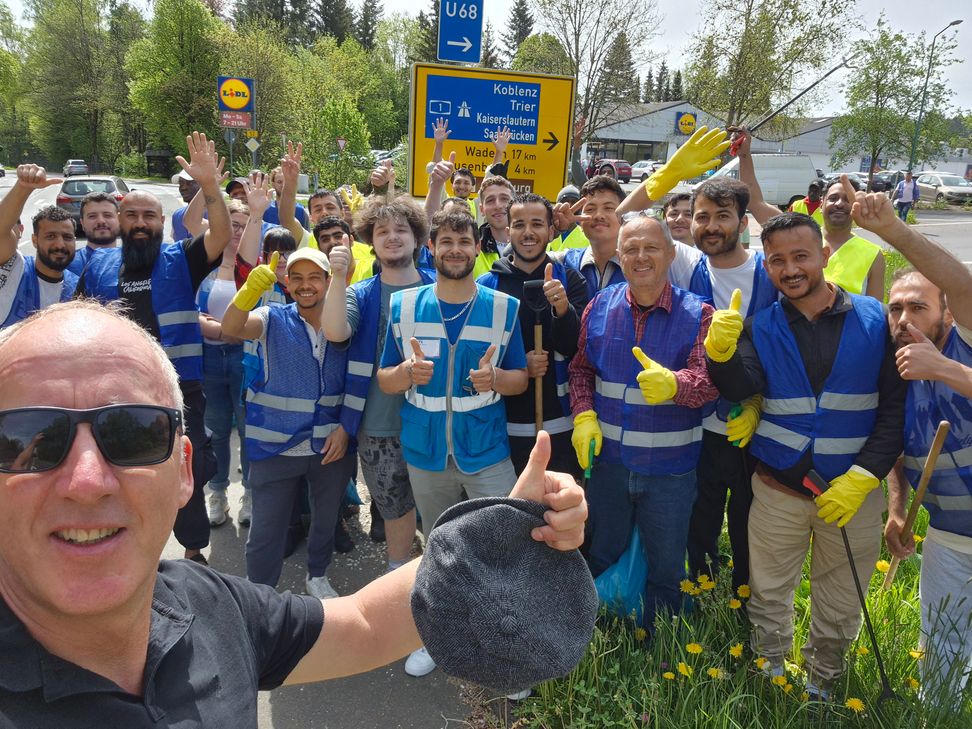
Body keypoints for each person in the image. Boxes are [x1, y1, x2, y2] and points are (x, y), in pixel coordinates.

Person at [0, 299, 587, 724]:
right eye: (27, 442)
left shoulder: (210, 605)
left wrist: (508, 522)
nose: (84, 481)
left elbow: (363, 625)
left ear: (184, 469)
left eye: (130, 435)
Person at [705, 211, 906, 698]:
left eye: (801, 257)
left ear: (825, 255)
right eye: (777, 261)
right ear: (767, 267)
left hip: (853, 493)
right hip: (778, 489)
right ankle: (770, 675)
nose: (790, 269)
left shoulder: (876, 320)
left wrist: (865, 474)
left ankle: (824, 683)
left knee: (840, 598)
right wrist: (720, 355)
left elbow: (896, 412)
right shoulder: (759, 325)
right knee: (770, 589)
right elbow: (743, 386)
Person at [376, 210, 528, 678]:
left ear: (477, 247)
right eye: (446, 241)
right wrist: (406, 374)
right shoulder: (403, 307)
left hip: (485, 451)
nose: (456, 249)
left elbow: (520, 379)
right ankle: (437, 639)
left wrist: (496, 378)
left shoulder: (504, 308)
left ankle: (505, 655)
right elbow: (384, 379)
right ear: (432, 248)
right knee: (438, 547)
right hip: (425, 453)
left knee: (503, 549)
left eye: (464, 240)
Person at [842, 179, 972, 704]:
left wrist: (893, 231)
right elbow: (899, 449)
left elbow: (961, 282)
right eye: (895, 308)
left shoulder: (962, 342)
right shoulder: (894, 368)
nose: (903, 319)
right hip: (949, 535)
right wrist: (899, 510)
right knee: (941, 644)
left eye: (918, 307)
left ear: (944, 311)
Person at [76, 131, 231, 564]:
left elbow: (220, 234)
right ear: (121, 220)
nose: (141, 222)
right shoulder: (98, 265)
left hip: (181, 390)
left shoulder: (181, 258)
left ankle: (194, 551)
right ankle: (128, 548)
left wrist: (210, 188)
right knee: (123, 471)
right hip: (118, 392)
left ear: (163, 223)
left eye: (149, 215)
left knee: (192, 467)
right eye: (133, 215)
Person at [568, 215, 718, 624]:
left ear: (671, 253)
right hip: (609, 465)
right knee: (602, 554)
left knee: (667, 567)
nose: (640, 256)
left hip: (670, 472)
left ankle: (660, 649)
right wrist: (584, 416)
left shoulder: (699, 313)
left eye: (651, 247)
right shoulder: (600, 305)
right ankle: (599, 635)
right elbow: (581, 370)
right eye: (630, 248)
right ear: (619, 256)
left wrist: (676, 385)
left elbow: (708, 382)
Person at [662, 177, 779, 590]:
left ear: (744, 222)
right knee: (702, 513)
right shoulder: (687, 265)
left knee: (749, 517)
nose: (711, 226)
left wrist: (758, 402)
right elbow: (621, 224)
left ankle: (746, 597)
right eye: (702, 217)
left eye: (723, 216)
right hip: (700, 424)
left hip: (759, 426)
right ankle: (702, 588)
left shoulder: (770, 268)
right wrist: (662, 181)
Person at [221, 248, 354, 599]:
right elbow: (231, 328)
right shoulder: (271, 316)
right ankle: (259, 597)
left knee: (325, 519)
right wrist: (248, 292)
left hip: (329, 445)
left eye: (314, 277)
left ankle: (317, 575)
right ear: (286, 282)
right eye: (297, 278)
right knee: (266, 530)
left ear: (328, 281)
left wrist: (346, 429)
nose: (305, 285)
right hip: (274, 446)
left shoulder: (344, 320)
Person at [323, 195, 434, 575]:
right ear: (371, 240)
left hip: (437, 420)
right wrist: (339, 277)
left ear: (417, 238)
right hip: (379, 426)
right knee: (396, 507)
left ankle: (443, 577)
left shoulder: (442, 286)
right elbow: (336, 332)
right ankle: (398, 574)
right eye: (382, 231)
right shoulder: (360, 292)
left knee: (438, 507)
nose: (392, 237)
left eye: (401, 229)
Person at [478, 193, 589, 477]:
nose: (528, 233)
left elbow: (576, 349)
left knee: (555, 513)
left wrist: (563, 309)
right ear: (508, 230)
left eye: (537, 224)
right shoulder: (488, 285)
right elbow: (478, 352)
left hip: (560, 425)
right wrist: (517, 368)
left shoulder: (570, 279)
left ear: (551, 231)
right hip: (502, 427)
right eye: (519, 224)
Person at [735, 129, 885, 299]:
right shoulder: (798, 234)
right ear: (822, 204)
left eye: (847, 199)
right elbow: (756, 202)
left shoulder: (873, 254)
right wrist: (744, 155)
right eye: (833, 198)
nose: (839, 204)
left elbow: (875, 314)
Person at [197, 198, 251, 528]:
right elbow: (185, 305)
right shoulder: (201, 263)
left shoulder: (254, 264)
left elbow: (264, 311)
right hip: (209, 358)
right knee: (216, 430)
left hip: (244, 356)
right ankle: (217, 493)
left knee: (248, 429)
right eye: (231, 224)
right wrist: (217, 329)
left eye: (243, 225)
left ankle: (250, 494)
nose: (236, 231)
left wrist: (232, 331)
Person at [0, 165, 79, 328]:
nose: (60, 244)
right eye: (50, 236)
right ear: (34, 240)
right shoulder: (14, 268)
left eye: (67, 237)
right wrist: (23, 187)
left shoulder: (79, 286)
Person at [556, 175, 628, 300]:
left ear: (624, 217)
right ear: (579, 223)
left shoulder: (638, 265)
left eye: (608, 208)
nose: (599, 215)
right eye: (590, 209)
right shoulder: (563, 262)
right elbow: (518, 258)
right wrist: (552, 229)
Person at [67, 191, 119, 275]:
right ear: (82, 222)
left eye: (107, 215)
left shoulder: (134, 263)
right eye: (92, 216)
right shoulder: (67, 264)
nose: (101, 221)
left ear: (119, 219)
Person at [548, 185, 590, 253]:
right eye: (565, 201)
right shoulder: (548, 233)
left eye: (574, 202)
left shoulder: (587, 236)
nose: (569, 205)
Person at [169, 168, 200, 241]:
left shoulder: (216, 214)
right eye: (181, 183)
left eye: (189, 183)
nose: (183, 187)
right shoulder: (177, 215)